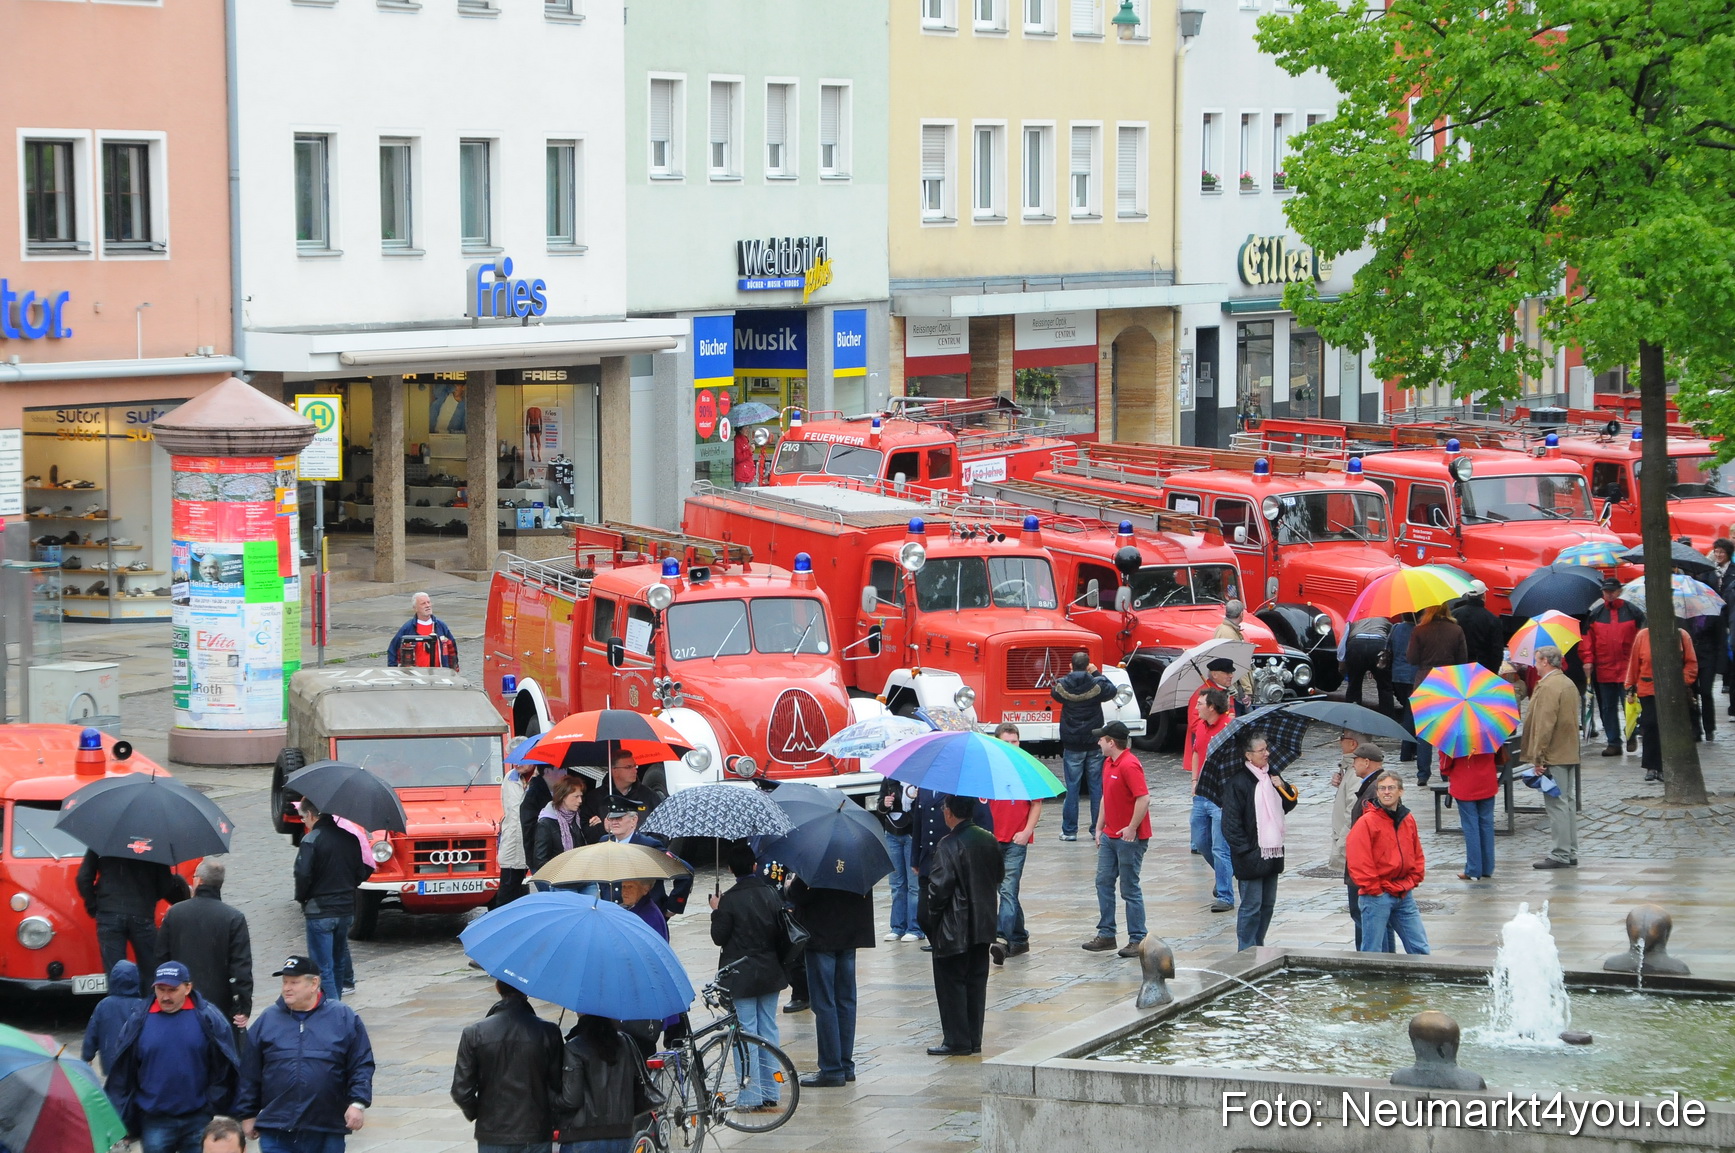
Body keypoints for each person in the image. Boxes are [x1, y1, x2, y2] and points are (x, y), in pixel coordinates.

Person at [236, 955, 375, 1152]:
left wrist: (357, 1103)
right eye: (284, 982)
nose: (286, 988)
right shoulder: (267, 1020)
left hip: (326, 1127)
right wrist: (247, 1114)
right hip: (277, 1129)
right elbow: (250, 1071)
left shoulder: (343, 1017)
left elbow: (361, 1064)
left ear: (314, 983)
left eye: (294, 982)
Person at [105, 961, 241, 1153]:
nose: (165, 996)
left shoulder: (207, 1017)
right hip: (154, 1120)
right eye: (161, 990)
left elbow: (222, 1066)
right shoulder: (139, 1020)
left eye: (172, 990)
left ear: (188, 988)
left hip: (197, 1118)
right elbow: (124, 1072)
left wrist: (211, 1103)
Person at [920, 796, 1003, 1057]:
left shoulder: (949, 844)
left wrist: (932, 917)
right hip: (983, 924)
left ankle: (957, 1039)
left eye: (945, 808)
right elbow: (999, 875)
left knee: (951, 983)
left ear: (950, 813)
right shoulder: (988, 838)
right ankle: (973, 1038)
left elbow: (939, 888)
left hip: (954, 927)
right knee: (976, 983)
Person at [708, 843, 787, 1111]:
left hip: (740, 974)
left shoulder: (729, 899)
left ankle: (749, 1094)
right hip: (769, 971)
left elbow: (719, 936)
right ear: (754, 866)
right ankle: (771, 1089)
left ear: (730, 870)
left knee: (745, 1033)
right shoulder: (770, 893)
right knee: (768, 1030)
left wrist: (716, 910)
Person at [450, 980, 563, 1152]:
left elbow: (461, 1091)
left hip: (493, 1131)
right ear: (527, 991)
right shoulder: (549, 1032)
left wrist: (481, 1113)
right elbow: (558, 1085)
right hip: (536, 1130)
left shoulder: (474, 1033)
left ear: (497, 988)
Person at [787, 876, 873, 1087]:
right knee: (846, 1000)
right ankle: (845, 1065)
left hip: (822, 934)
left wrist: (789, 887)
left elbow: (799, 894)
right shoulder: (858, 856)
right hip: (849, 933)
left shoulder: (818, 858)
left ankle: (832, 1068)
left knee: (824, 1002)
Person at [1219, 732, 1298, 951]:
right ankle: (1246, 950)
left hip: (1273, 852)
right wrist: (1246, 850)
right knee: (1251, 906)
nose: (1267, 753)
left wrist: (1281, 786)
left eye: (1267, 749)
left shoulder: (1272, 775)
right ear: (1248, 755)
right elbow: (1230, 824)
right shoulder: (1238, 782)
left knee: (1267, 905)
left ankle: (1259, 945)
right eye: (1261, 750)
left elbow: (1289, 805)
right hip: (1251, 855)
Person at [159, 860, 254, 1037]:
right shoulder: (233, 918)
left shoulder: (175, 913)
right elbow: (241, 966)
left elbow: (161, 958)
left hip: (183, 1002)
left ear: (199, 881)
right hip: (220, 1005)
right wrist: (243, 1006)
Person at [1081, 722, 1151, 957]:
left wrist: (1132, 828)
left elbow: (1143, 798)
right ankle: (1107, 934)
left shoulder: (1129, 765)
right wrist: (1099, 828)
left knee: (1129, 888)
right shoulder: (1108, 763)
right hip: (1111, 835)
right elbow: (1105, 798)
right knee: (1103, 882)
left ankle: (1138, 938)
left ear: (1112, 742)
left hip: (1129, 838)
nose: (1098, 742)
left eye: (1102, 739)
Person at [292, 799, 371, 1000]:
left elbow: (302, 875)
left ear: (311, 815)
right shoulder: (351, 838)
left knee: (322, 966)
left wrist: (302, 898)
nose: (304, 822)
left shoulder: (311, 840)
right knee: (338, 962)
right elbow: (361, 871)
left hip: (320, 910)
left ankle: (331, 1008)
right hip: (345, 909)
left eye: (303, 817)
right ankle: (337, 1006)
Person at [1345, 772, 1430, 954]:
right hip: (1377, 896)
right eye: (1382, 788)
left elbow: (1417, 852)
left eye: (1391, 788)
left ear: (1400, 791)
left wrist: (1413, 879)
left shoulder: (1407, 819)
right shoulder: (1366, 822)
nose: (1386, 792)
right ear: (1377, 793)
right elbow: (1358, 860)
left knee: (1420, 949)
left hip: (1403, 893)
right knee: (1374, 952)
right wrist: (1375, 888)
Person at [75, 847, 190, 981]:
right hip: (142, 914)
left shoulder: (103, 841)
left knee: (115, 971)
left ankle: (119, 1000)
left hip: (109, 912)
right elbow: (165, 884)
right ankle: (149, 1000)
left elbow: (83, 878)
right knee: (151, 969)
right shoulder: (155, 845)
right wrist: (148, 899)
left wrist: (93, 905)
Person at [1525, 645, 1583, 869]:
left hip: (1554, 754)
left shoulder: (1549, 686)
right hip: (1567, 751)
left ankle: (1560, 853)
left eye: (1537, 661)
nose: (1535, 665)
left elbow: (1545, 724)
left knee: (1557, 804)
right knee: (1566, 803)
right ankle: (1570, 851)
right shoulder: (1566, 682)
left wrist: (1539, 757)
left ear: (1546, 662)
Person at [987, 723, 1041, 964]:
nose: (1012, 746)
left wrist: (1027, 830)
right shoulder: (987, 769)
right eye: (1006, 742)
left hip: (1016, 840)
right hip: (991, 840)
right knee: (1004, 891)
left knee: (1008, 890)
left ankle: (1002, 939)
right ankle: (1019, 938)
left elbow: (1036, 803)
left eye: (1015, 741)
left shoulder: (1026, 767)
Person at [553, 1014, 643, 1152]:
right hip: (622, 1133)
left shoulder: (574, 1047)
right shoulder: (627, 1043)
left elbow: (572, 1099)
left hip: (582, 1136)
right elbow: (636, 1084)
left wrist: (552, 1099)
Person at [1050, 651, 1115, 841]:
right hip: (1094, 742)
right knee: (1096, 787)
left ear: (1071, 666)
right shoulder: (1097, 684)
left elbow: (1054, 692)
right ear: (1088, 666)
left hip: (1072, 743)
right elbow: (1112, 690)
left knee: (1072, 787)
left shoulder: (1062, 685)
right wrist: (1096, 673)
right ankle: (1098, 828)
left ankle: (1069, 831)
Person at [1330, 740, 1388, 949]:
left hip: (1364, 863)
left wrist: (1343, 848)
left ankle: (1372, 959)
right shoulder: (1371, 783)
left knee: (1365, 914)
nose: (1353, 765)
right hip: (1367, 862)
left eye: (1356, 761)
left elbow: (1356, 821)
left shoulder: (1373, 789)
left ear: (1366, 761)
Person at [1625, 621, 1697, 783]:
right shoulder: (1643, 636)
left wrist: (1682, 682)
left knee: (1669, 727)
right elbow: (1634, 662)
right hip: (1647, 688)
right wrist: (1630, 686)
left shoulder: (1681, 635)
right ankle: (1651, 766)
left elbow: (1691, 663)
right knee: (1650, 725)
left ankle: (1666, 765)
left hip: (1673, 690)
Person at [1185, 689, 1237, 913]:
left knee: (1220, 846)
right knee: (1200, 840)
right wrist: (1195, 779)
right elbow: (1197, 752)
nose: (1196, 708)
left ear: (1212, 707)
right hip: (1202, 794)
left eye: (1200, 704)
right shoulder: (1201, 727)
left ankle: (1225, 895)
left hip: (1221, 796)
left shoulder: (1229, 728)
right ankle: (1224, 873)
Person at [1404, 604, 1468, 784]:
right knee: (1447, 729)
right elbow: (1462, 659)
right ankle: (1445, 771)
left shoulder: (1420, 630)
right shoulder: (1456, 630)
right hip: (1448, 682)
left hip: (1424, 681)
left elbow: (1412, 659)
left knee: (1424, 731)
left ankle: (1423, 774)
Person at [1583, 577, 1644, 755]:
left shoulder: (1633, 612)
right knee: (1607, 707)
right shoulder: (1595, 614)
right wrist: (1588, 659)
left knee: (1630, 706)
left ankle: (1630, 734)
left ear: (1619, 591)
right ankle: (1613, 742)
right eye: (1606, 591)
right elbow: (1588, 641)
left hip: (1627, 669)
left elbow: (1641, 638)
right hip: (1604, 669)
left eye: (1612, 591)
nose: (1609, 594)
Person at [1436, 744, 1498, 880]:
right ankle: (1487, 867)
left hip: (1464, 783)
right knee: (1487, 824)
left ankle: (1473, 869)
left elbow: (1445, 764)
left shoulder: (1452, 736)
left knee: (1471, 827)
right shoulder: (1487, 731)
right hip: (1487, 781)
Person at [874, 777, 922, 943]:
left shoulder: (920, 780)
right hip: (893, 833)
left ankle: (915, 928)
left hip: (912, 834)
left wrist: (916, 799)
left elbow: (927, 810)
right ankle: (897, 927)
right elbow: (879, 806)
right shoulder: (889, 780)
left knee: (913, 884)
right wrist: (884, 804)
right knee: (896, 883)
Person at [83, 958, 140, 1080]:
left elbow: (92, 1032)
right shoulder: (141, 1005)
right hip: (136, 1061)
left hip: (110, 1060)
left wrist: (87, 1056)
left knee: (114, 1091)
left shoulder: (103, 1005)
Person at [387, 591, 459, 670]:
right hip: (416, 676)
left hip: (439, 675)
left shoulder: (441, 626)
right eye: (423, 603)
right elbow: (393, 651)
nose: (427, 605)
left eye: (428, 602)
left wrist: (453, 671)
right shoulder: (407, 628)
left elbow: (452, 650)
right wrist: (393, 671)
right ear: (415, 608)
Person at [533, 775, 591, 872]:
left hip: (583, 876)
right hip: (561, 880)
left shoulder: (579, 818)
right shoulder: (546, 823)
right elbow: (540, 860)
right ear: (563, 796)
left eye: (581, 796)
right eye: (576, 796)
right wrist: (561, 873)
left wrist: (596, 826)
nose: (580, 801)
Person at [1338, 615, 1394, 713]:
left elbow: (1343, 642)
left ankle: (1352, 714)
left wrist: (1341, 661)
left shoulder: (1354, 620)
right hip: (1378, 645)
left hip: (1356, 645)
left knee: (1354, 684)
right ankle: (1388, 716)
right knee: (1385, 686)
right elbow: (1390, 641)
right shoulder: (1384, 621)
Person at [1386, 613, 1422, 765]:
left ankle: (1411, 749)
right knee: (1411, 713)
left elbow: (1388, 648)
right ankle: (1407, 750)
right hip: (1414, 676)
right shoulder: (1419, 630)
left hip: (1398, 675)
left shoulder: (1395, 628)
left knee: (1409, 711)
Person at [519, 764, 570, 860]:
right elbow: (531, 831)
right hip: (544, 859)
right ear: (547, 771)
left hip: (555, 856)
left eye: (566, 769)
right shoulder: (534, 796)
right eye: (561, 769)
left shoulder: (554, 792)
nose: (565, 773)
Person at [496, 764, 530, 907]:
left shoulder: (542, 778)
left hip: (535, 841)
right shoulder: (510, 777)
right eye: (514, 759)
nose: (517, 764)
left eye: (522, 759)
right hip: (512, 841)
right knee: (508, 890)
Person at [1451, 581, 1504, 673]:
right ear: (1484, 595)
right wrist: (1493, 672)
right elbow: (1496, 651)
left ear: (1467, 595)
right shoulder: (1492, 619)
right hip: (1482, 669)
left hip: (1458, 668)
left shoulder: (1454, 614)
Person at [1213, 602, 1257, 704]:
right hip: (1232, 690)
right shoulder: (1231, 634)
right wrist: (1248, 691)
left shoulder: (1220, 629)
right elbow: (1238, 664)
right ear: (1241, 614)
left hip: (1224, 686)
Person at [1687, 610, 1721, 741]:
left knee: (1706, 692)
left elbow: (1720, 640)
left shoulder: (1714, 615)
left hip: (1708, 657)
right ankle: (1695, 728)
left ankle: (1709, 728)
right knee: (1691, 693)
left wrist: (1721, 664)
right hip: (1690, 658)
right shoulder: (1685, 615)